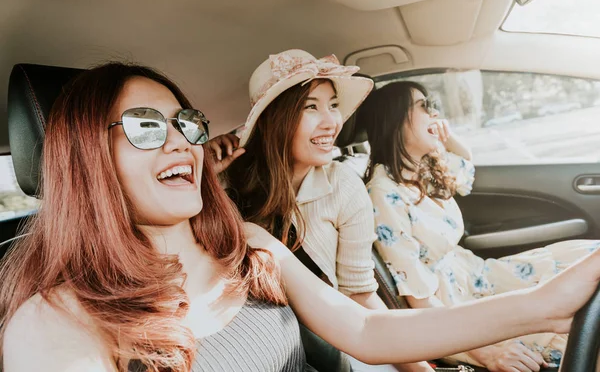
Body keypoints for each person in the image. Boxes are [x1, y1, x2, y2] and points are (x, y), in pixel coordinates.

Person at [1, 63, 599, 372]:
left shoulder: (247, 243)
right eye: (145, 126)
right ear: (84, 160)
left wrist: (545, 302)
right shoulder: (55, 321)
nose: (180, 143)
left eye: (186, 124)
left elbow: (365, 331)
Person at [209, 49, 431, 371]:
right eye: (311, 107)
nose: (332, 123)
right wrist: (204, 175)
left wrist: (421, 369)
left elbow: (359, 294)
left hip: (331, 346)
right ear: (275, 119)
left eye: (334, 106)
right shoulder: (227, 184)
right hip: (252, 347)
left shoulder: (344, 185)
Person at [361, 80, 600, 372]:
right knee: (580, 323)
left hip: (478, 276)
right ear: (394, 119)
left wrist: (445, 137)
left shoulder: (420, 168)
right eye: (425, 106)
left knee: (587, 260)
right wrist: (487, 352)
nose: (435, 113)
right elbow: (419, 302)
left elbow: (465, 168)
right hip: (456, 310)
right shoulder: (383, 193)